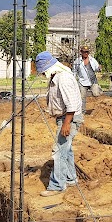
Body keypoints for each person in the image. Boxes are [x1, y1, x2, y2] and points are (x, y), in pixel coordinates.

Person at [35, 51, 83, 196]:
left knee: (59, 151)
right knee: (66, 150)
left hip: (69, 118)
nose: (43, 74)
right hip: (64, 118)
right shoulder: (57, 76)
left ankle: (57, 185)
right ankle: (70, 178)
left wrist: (66, 124)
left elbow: (72, 104)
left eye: (43, 71)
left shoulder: (64, 78)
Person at [73, 45, 101, 112]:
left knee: (97, 94)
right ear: (81, 52)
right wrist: (73, 80)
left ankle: (98, 110)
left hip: (93, 81)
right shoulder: (77, 61)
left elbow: (97, 68)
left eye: (87, 52)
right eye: (84, 52)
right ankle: (82, 111)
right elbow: (74, 71)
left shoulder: (92, 60)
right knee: (82, 97)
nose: (86, 53)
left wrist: (99, 68)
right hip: (82, 82)